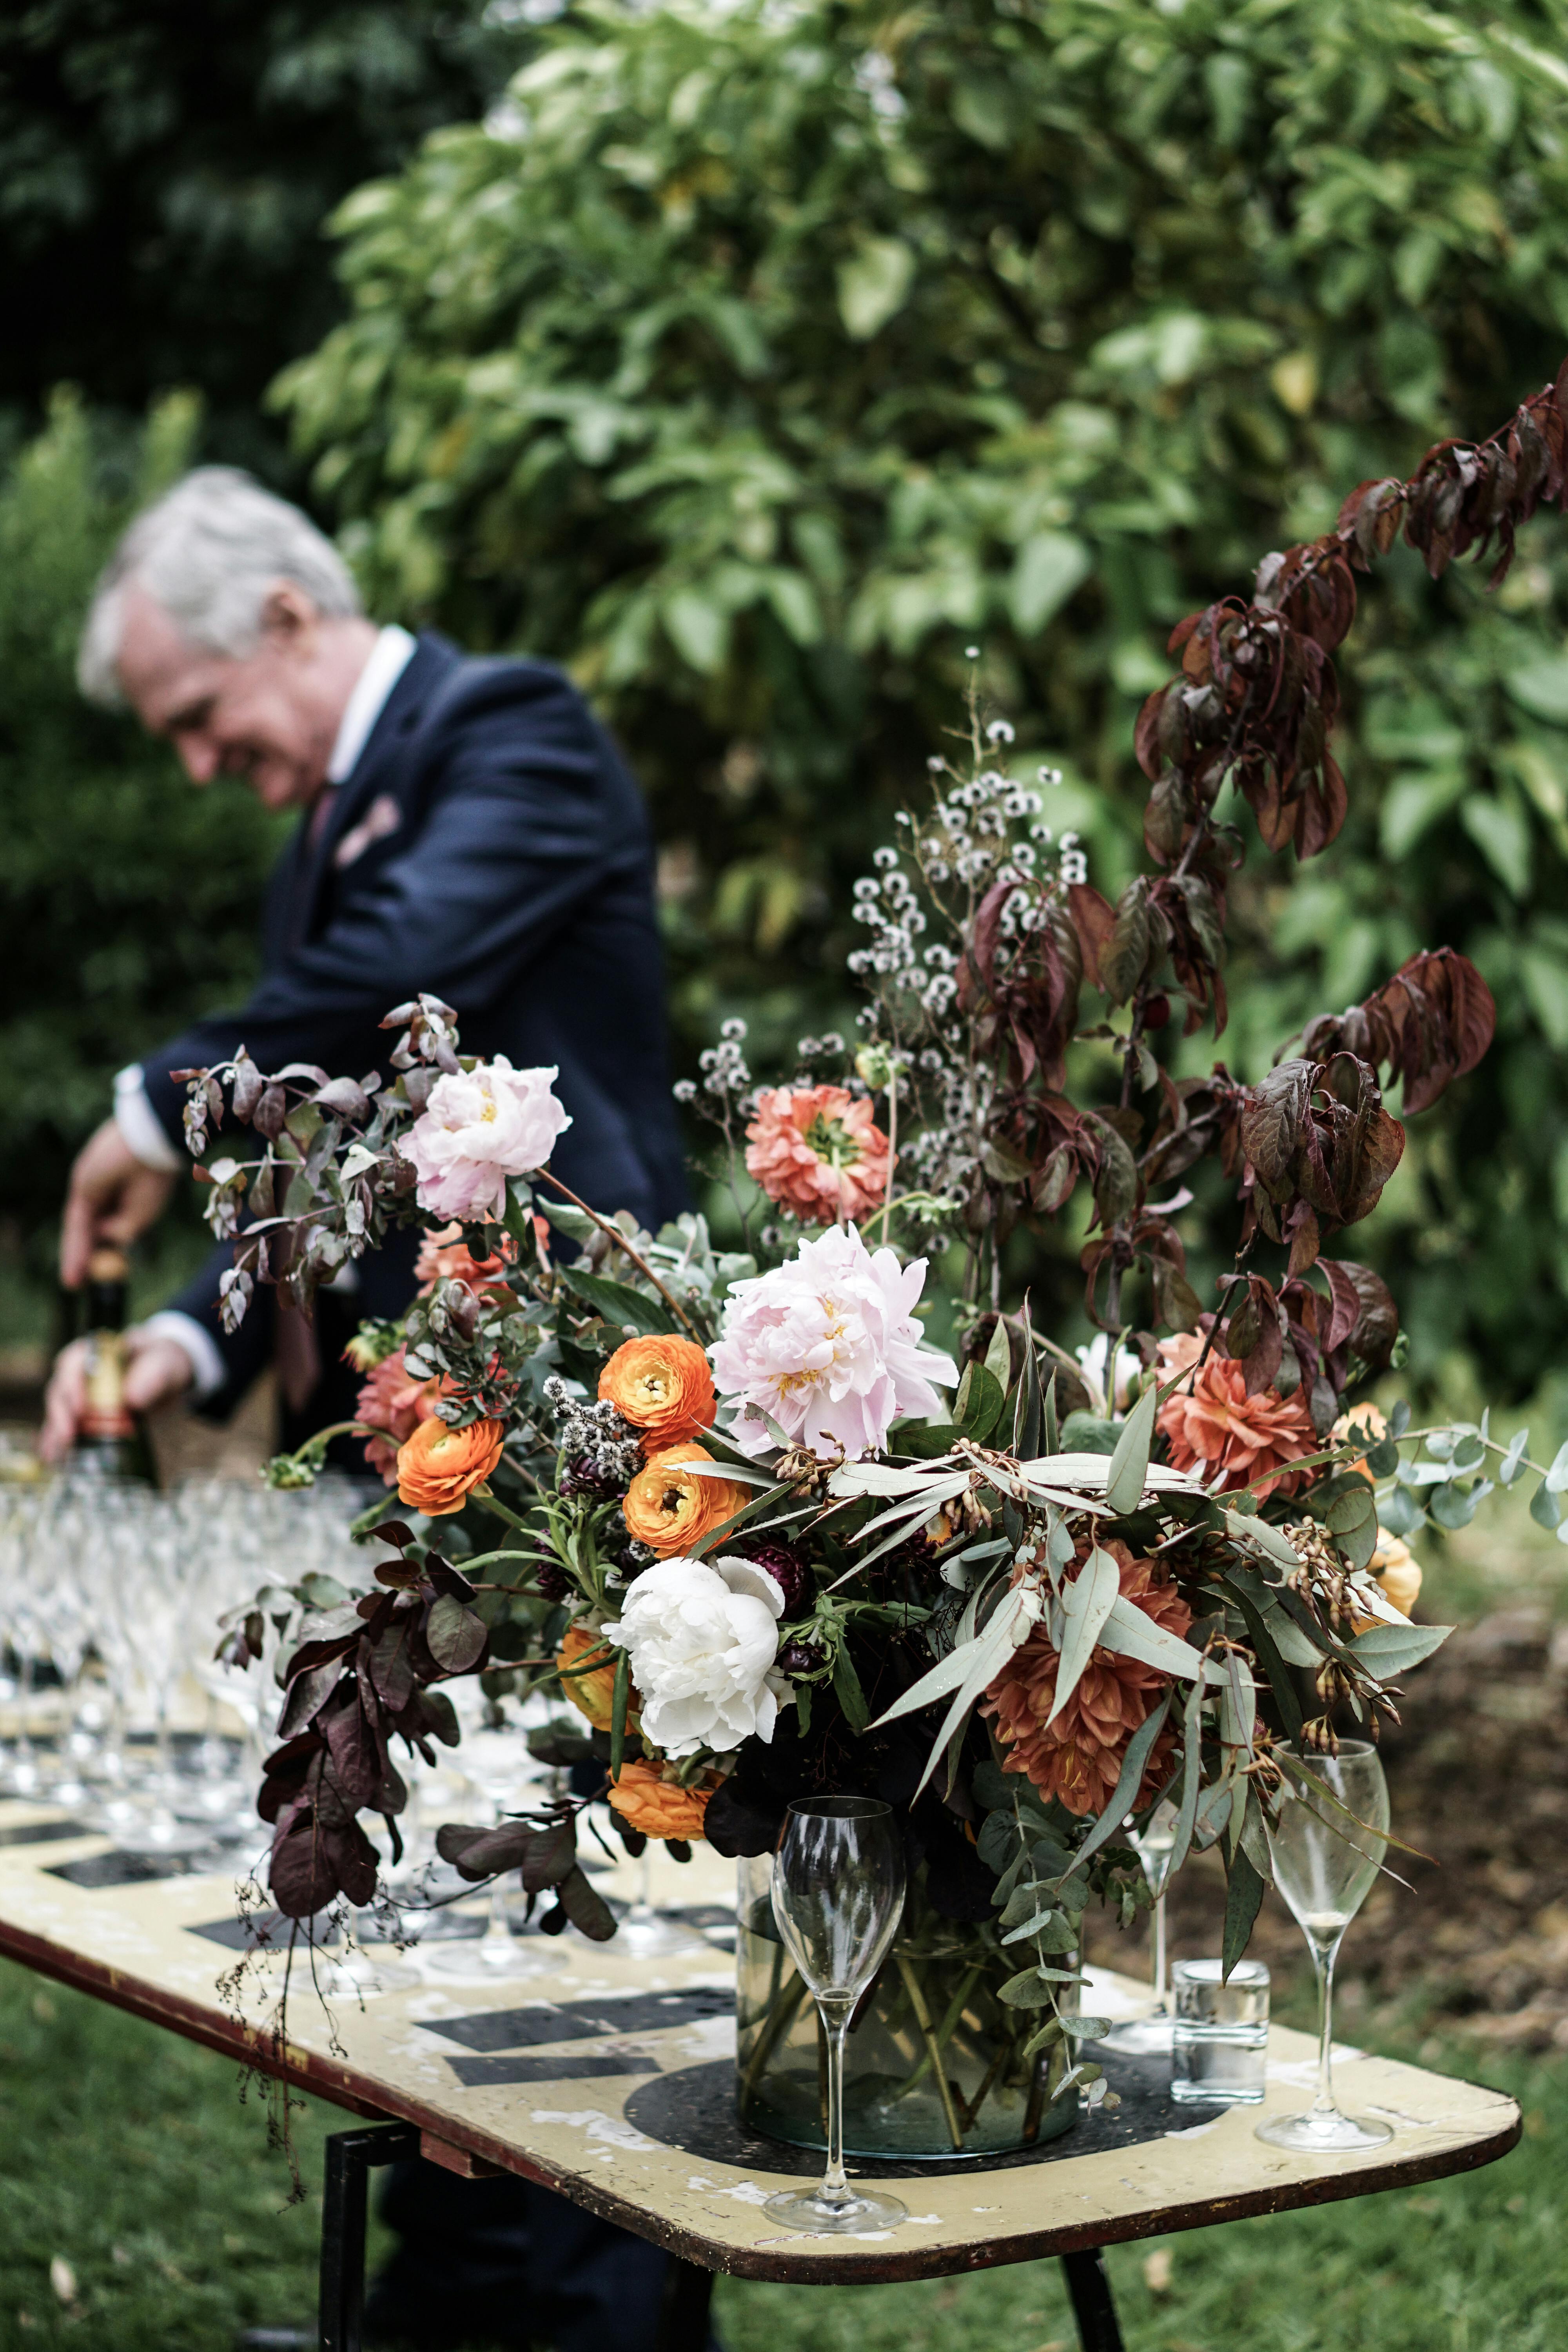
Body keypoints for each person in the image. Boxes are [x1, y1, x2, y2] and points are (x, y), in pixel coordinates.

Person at [38, 468, 700, 2352]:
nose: (194, 762)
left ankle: (589, 2339)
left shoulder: (517, 736)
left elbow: (379, 993)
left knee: (589, 1908)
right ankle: (440, 2313)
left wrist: (155, 1101)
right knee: (423, 1876)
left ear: (280, 621)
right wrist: (189, 1341)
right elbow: (324, 1171)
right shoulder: (324, 834)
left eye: (193, 718)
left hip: (588, 1440)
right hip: (424, 1448)